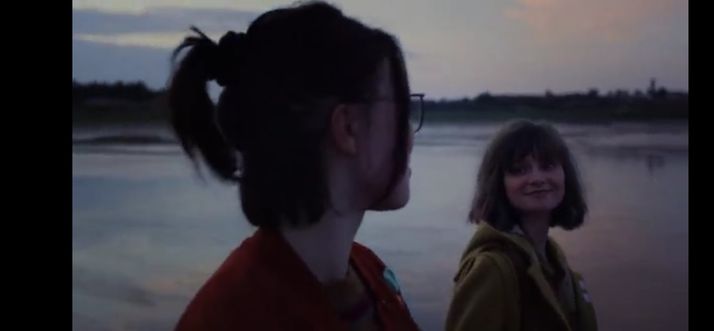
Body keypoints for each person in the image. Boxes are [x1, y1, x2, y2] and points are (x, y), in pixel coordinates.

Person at [167, 2, 420, 330]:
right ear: (348, 128)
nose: (411, 137)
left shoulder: (369, 271)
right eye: (401, 110)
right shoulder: (230, 318)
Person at [446, 120, 597, 331]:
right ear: (498, 184)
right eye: (519, 170)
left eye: (548, 166)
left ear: (565, 175)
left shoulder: (553, 257)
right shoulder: (491, 268)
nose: (537, 178)